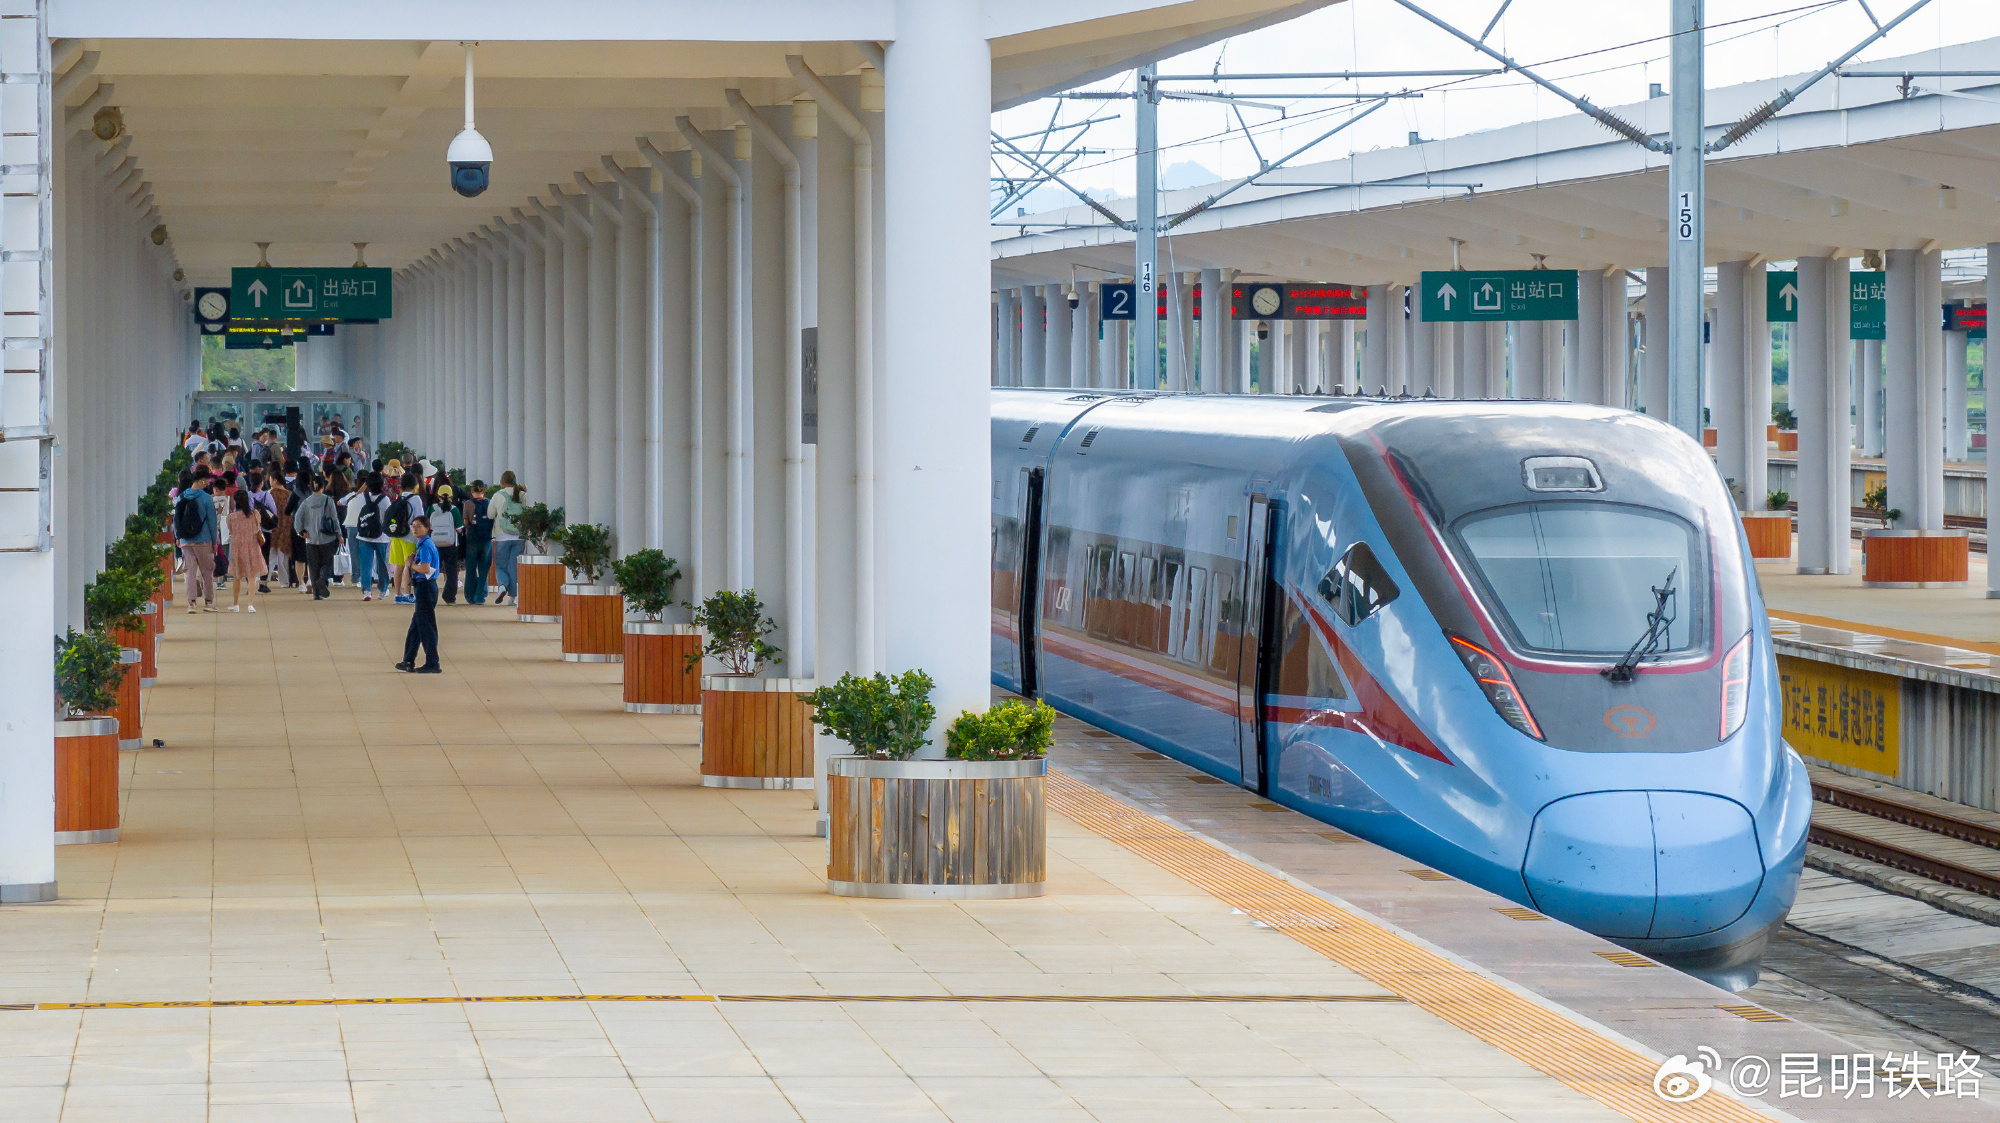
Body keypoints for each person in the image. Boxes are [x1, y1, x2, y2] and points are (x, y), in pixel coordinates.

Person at [396, 517, 442, 674]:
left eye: (419, 526)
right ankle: (408, 660)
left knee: (426, 626)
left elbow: (425, 568)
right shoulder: (422, 544)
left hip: (425, 587)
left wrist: (411, 565)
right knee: (416, 626)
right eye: (413, 526)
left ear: (427, 528)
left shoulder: (425, 546)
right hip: (423, 587)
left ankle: (433, 662)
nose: (415, 529)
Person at [174, 466, 219, 613]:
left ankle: (191, 603)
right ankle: (208, 602)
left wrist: (178, 537)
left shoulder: (181, 497)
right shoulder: (206, 498)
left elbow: (176, 519)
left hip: (186, 540)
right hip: (203, 540)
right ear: (202, 481)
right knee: (207, 572)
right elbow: (212, 522)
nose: (207, 484)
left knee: (189, 572)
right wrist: (214, 541)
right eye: (206, 482)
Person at [293, 474, 340, 600]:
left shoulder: (306, 502)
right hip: (327, 538)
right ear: (323, 487)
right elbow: (334, 519)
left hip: (311, 539)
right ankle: (322, 579)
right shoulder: (328, 500)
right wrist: (339, 534)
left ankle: (316, 594)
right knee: (327, 563)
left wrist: (301, 531)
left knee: (313, 567)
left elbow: (297, 518)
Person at [351, 473, 391, 601]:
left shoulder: (361, 497)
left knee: (365, 565)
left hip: (364, 535)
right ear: (382, 484)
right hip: (381, 537)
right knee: (382, 565)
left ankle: (367, 591)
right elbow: (387, 518)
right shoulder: (385, 500)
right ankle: (383, 590)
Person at [489, 472, 526, 606]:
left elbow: (490, 514)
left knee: (501, 565)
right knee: (514, 566)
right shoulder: (522, 495)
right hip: (519, 536)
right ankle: (513, 598)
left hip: (502, 536)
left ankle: (503, 586)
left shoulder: (498, 495)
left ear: (502, 481)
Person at [224, 488, 263, 613]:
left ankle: (235, 604)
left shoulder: (231, 517)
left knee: (237, 576)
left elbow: (230, 530)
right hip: (252, 547)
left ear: (235, 501)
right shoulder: (255, 514)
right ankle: (250, 604)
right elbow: (257, 528)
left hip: (237, 548)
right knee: (251, 576)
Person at [428, 481, 462, 604]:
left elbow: (426, 524)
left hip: (434, 544)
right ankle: (450, 597)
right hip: (450, 544)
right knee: (451, 570)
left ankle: (430, 594)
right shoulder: (454, 510)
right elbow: (459, 529)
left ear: (438, 496)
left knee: (432, 569)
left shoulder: (432, 508)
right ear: (451, 496)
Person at [463, 481, 494, 605]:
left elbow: (465, 522)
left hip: (472, 538)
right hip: (486, 539)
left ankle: (470, 595)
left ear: (472, 491)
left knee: (471, 568)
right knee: (484, 569)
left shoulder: (468, 504)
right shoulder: (489, 503)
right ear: (484, 491)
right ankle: (480, 596)